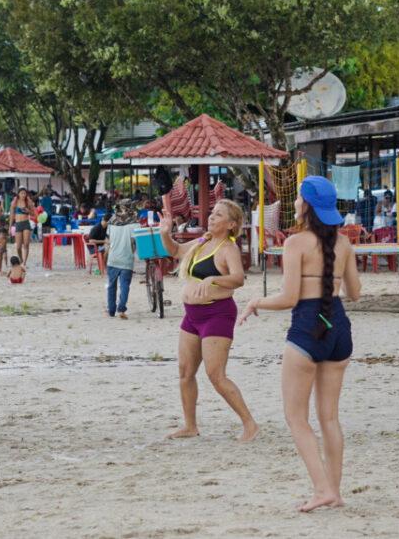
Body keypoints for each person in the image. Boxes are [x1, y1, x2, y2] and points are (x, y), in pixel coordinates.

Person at [238, 176, 361, 512]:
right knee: (330, 418)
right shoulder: (345, 243)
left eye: (297, 199)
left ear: (306, 204)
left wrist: (254, 303)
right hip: (338, 327)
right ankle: (334, 491)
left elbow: (289, 297)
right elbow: (354, 293)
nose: (292, 204)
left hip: (308, 327)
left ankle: (322, 489)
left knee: (296, 417)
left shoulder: (296, 244)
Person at [158, 198, 258, 442]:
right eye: (212, 212)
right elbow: (174, 251)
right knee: (185, 372)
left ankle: (250, 424)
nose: (211, 217)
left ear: (231, 224)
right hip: (193, 315)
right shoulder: (202, 242)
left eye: (218, 215)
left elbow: (238, 278)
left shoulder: (227, 248)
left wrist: (211, 279)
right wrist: (165, 233)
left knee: (216, 374)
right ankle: (190, 426)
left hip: (217, 313)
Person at [105, 200, 138, 319]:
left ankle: (111, 310)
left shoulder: (111, 222)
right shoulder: (135, 224)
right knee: (125, 286)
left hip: (112, 259)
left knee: (111, 286)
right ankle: (121, 308)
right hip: (127, 260)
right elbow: (135, 243)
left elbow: (108, 240)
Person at [10, 187, 36, 264]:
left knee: (26, 244)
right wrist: (10, 226)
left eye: (24, 193)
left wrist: (28, 211)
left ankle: (24, 262)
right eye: (22, 193)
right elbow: (12, 215)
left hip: (26, 223)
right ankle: (21, 259)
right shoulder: (15, 202)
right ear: (18, 194)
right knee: (18, 247)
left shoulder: (28, 202)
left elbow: (34, 214)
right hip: (18, 224)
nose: (23, 195)